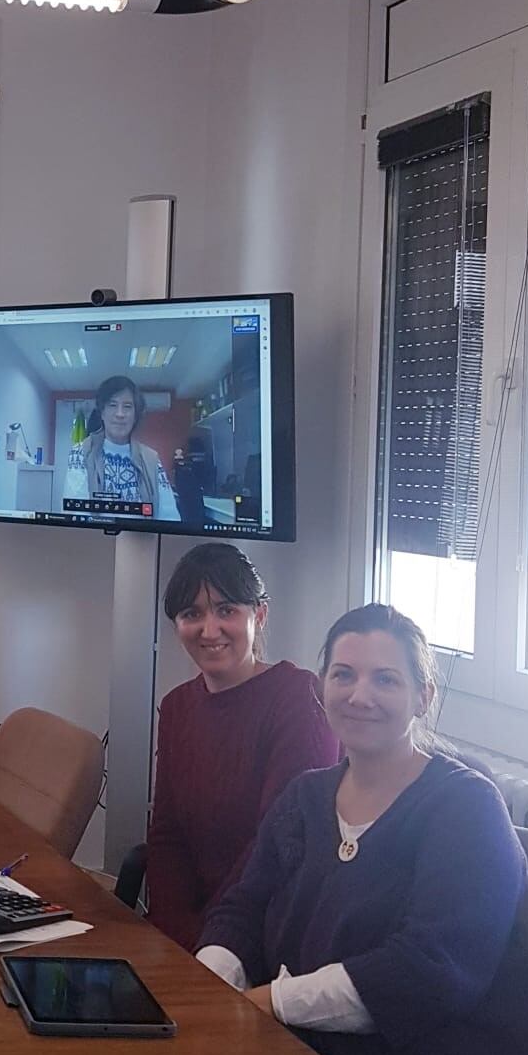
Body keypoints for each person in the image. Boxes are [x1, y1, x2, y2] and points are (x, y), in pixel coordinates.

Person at [196, 604, 528, 1055]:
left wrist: (272, 1001)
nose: (361, 695)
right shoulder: (307, 797)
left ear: (423, 696)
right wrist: (208, 989)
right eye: (344, 674)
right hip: (325, 1051)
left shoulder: (464, 805)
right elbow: (242, 907)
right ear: (322, 688)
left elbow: (427, 972)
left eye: (386, 678)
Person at [146, 544, 338, 950]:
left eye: (226, 610)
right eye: (191, 614)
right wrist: (170, 936)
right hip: (190, 938)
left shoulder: (300, 698)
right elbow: (167, 836)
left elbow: (279, 846)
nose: (209, 630)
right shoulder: (178, 706)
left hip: (265, 929)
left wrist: (208, 940)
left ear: (260, 615)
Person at [82, 375, 180, 520]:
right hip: (94, 540)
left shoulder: (151, 459)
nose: (120, 414)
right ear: (102, 412)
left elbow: (170, 517)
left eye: (127, 406)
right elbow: (74, 515)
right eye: (112, 405)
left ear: (135, 416)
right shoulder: (81, 452)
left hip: (144, 540)